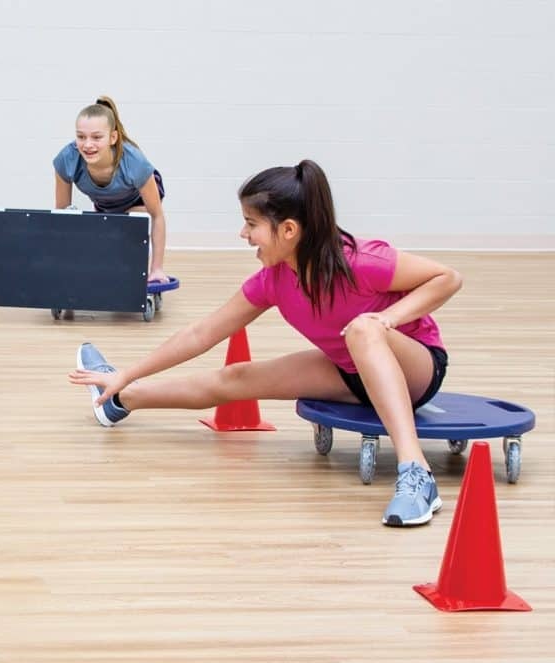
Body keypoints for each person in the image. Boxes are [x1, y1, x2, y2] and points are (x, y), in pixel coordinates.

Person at [69, 159, 463, 527]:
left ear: (288, 230)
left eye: (251, 224)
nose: (244, 234)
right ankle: (121, 399)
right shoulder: (274, 281)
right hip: (350, 370)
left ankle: (417, 474)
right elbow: (201, 334)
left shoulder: (360, 261)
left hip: (417, 368)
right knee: (236, 377)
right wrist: (127, 373)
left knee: (363, 330)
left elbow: (447, 278)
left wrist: (387, 319)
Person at [53, 96, 170, 283]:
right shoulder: (67, 159)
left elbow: (157, 216)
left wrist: (156, 269)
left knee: (130, 230)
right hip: (106, 204)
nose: (87, 144)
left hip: (137, 200)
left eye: (97, 137)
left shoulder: (135, 162)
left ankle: (139, 253)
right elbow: (62, 216)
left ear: (113, 138)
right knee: (101, 248)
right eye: (81, 137)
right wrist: (63, 267)